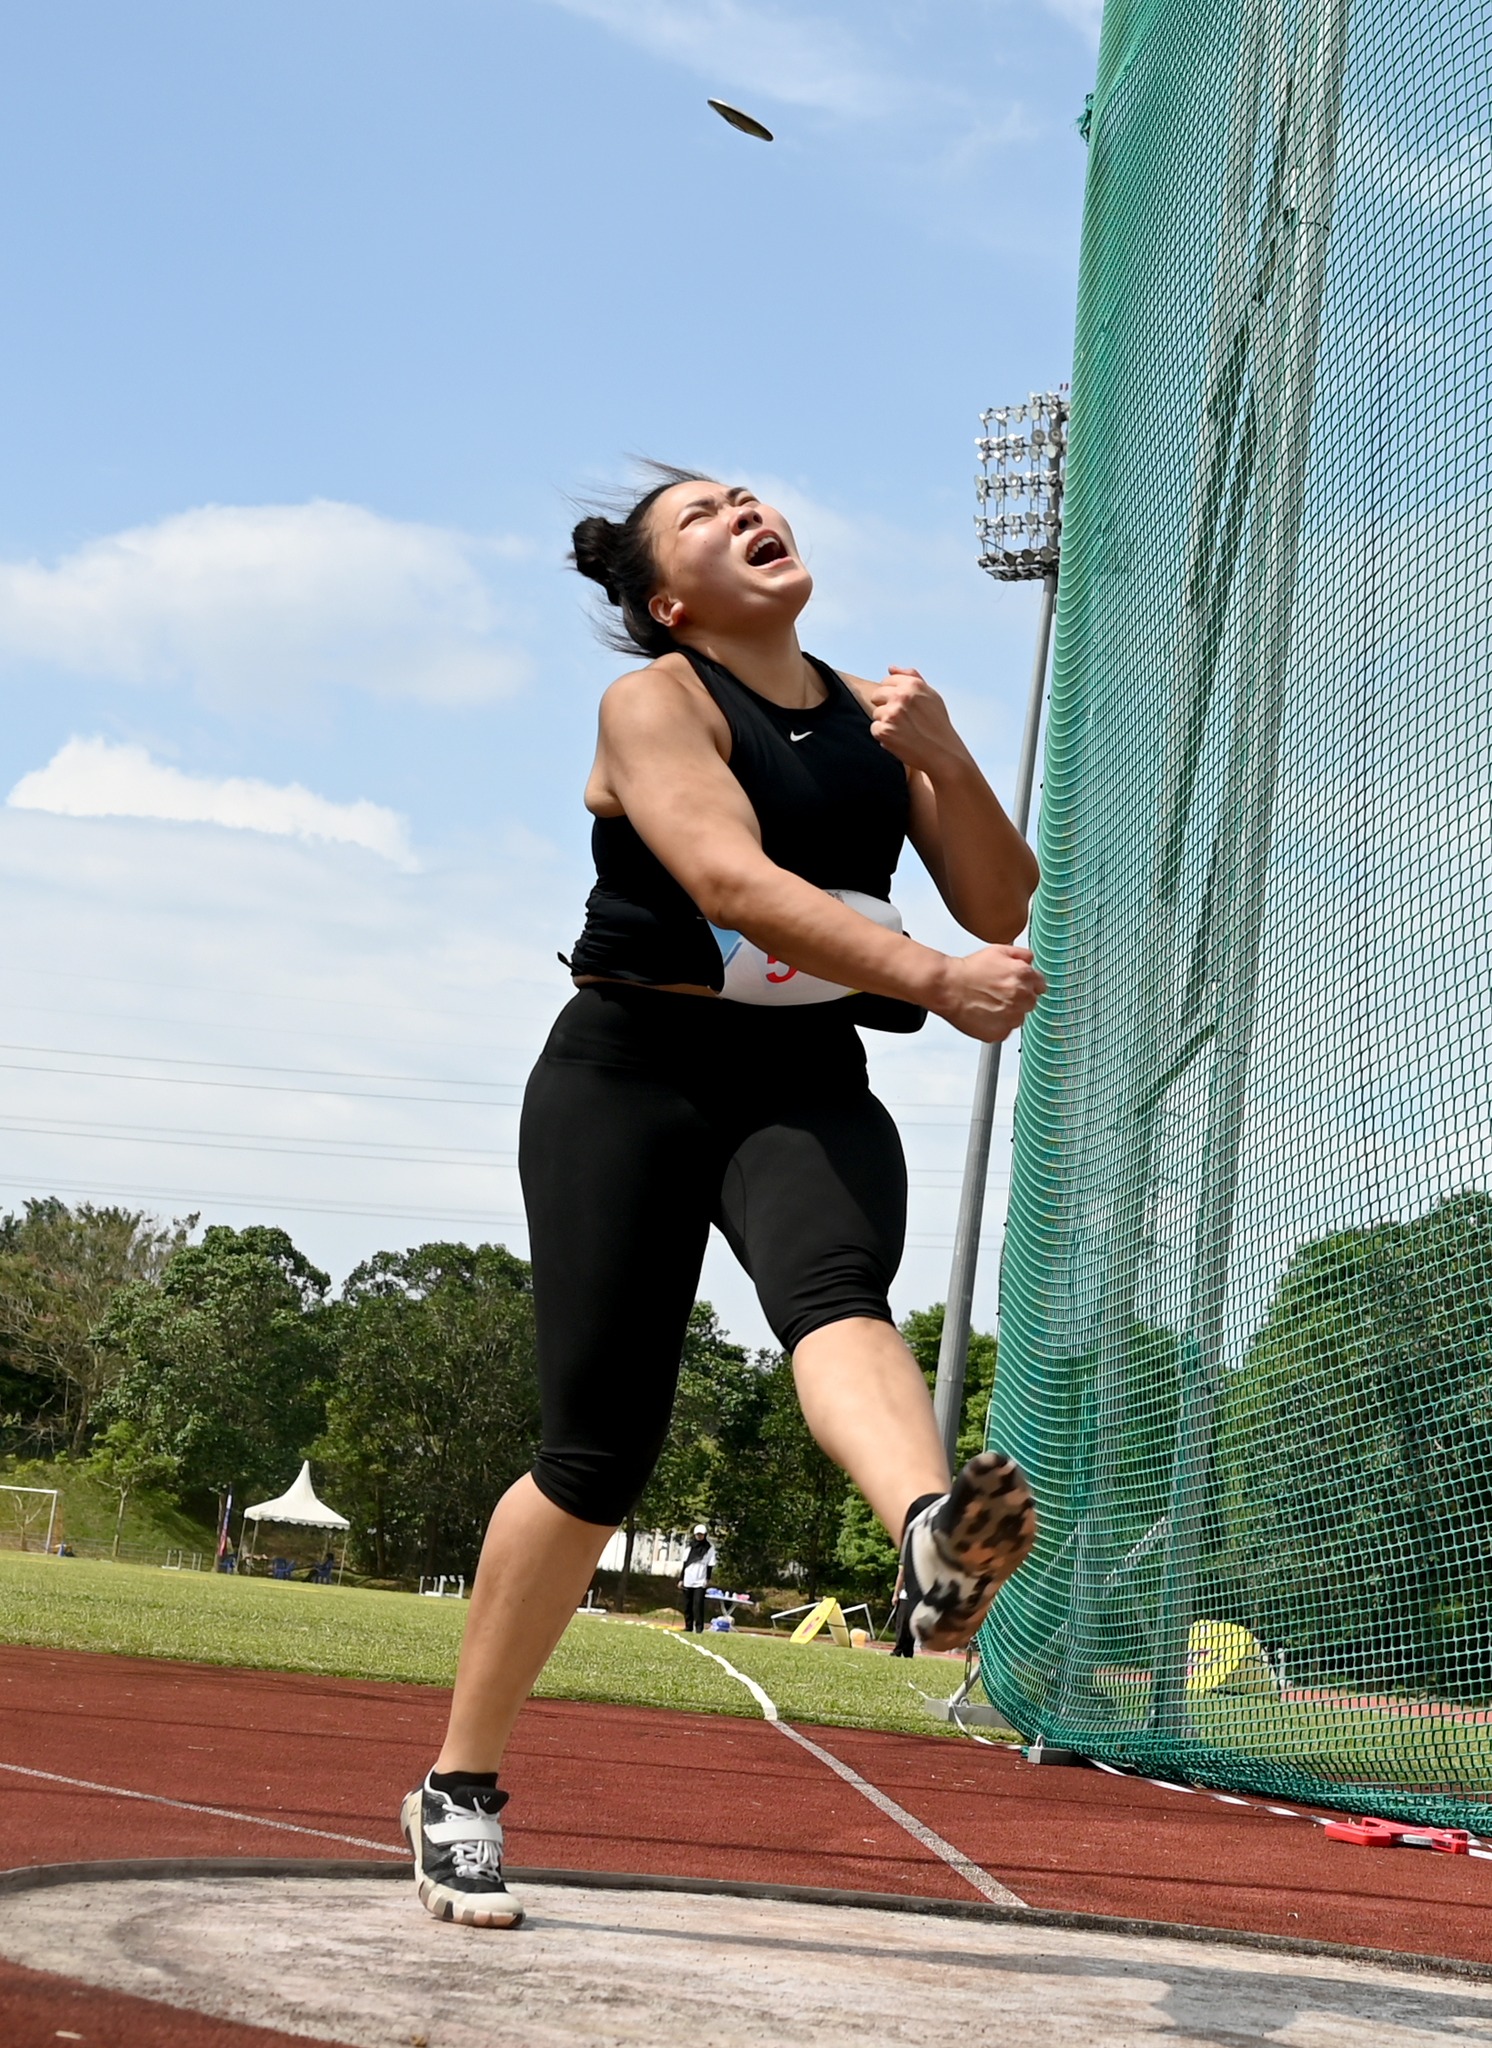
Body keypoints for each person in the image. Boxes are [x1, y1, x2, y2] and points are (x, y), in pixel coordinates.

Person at [402, 464, 1045, 1930]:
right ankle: (458, 1784)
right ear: (668, 603)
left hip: (799, 1078)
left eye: (748, 494)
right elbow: (728, 881)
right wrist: (934, 981)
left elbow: (999, 903)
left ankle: (928, 1537)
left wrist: (946, 757)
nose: (745, 512)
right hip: (630, 1074)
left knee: (837, 1296)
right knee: (595, 1457)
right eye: (701, 516)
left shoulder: (882, 712)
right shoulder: (656, 703)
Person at [679, 1524, 716, 1633]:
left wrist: (707, 1579)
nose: (699, 1536)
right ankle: (688, 1626)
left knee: (698, 1605)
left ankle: (699, 1628)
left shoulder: (709, 1548)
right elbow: (685, 1564)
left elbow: (710, 1565)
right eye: (698, 1534)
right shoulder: (689, 1547)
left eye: (701, 1534)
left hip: (700, 1580)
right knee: (687, 1605)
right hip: (688, 1579)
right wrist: (681, 1579)